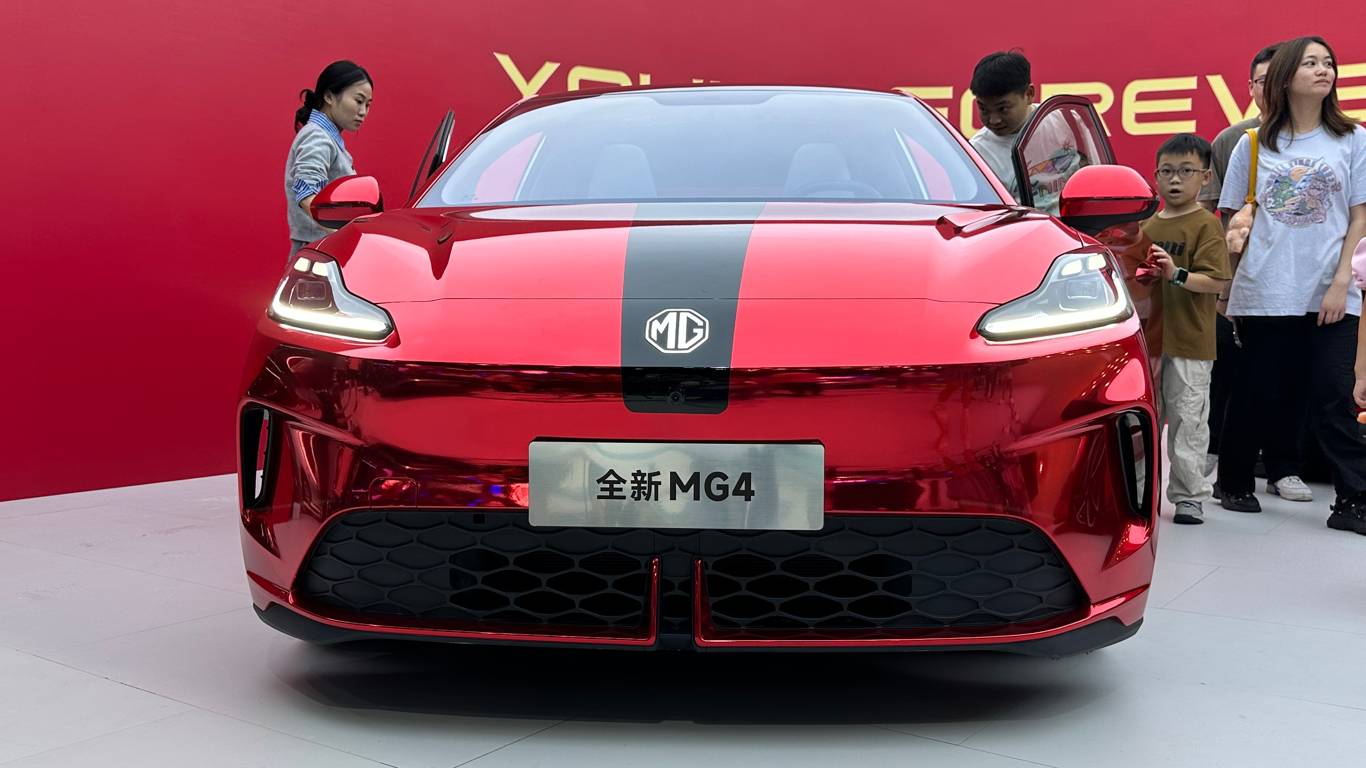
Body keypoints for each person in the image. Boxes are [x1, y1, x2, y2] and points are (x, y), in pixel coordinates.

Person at [1215, 36, 1366, 532]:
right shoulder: (1253, 143)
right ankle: (1233, 482)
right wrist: (1227, 288)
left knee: (1334, 395)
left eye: (1328, 63)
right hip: (1264, 287)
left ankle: (1354, 501)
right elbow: (1233, 220)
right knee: (1256, 391)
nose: (1324, 70)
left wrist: (1341, 281)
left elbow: (1360, 216)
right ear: (1285, 76)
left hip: (1332, 290)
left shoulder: (1353, 138)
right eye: (1310, 63)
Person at [1200, 44, 1315, 499]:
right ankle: (1221, 461)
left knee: (1294, 376)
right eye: (1262, 81)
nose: (1271, 89)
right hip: (1245, 279)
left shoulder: (1320, 141)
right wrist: (1221, 285)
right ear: (1249, 87)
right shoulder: (1233, 141)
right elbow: (1211, 217)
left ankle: (1285, 466)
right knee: (1239, 376)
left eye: (1278, 79)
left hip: (1305, 280)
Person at [1142, 134, 1232, 524]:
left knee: (1188, 422)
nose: (1175, 179)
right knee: (1143, 425)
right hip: (1148, 345)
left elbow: (1216, 282)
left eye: (1185, 171)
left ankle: (1189, 496)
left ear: (1205, 177)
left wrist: (1176, 274)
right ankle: (1139, 497)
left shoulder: (1205, 225)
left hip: (1190, 343)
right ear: (1155, 177)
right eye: (1167, 171)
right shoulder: (1144, 226)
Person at [968, 51, 1078, 213]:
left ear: (1029, 94)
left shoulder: (1067, 120)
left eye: (1003, 109)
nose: (993, 120)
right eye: (983, 109)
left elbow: (1094, 170)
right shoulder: (976, 153)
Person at [285, 60, 373, 259]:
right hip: (319, 254)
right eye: (358, 101)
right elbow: (305, 189)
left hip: (321, 250)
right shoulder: (318, 136)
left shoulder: (325, 137)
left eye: (368, 105)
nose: (363, 112)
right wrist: (340, 233)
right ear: (329, 96)